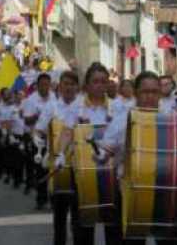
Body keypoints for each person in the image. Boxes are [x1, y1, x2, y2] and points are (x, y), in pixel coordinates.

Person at [97, 70, 177, 245]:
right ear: (136, 93)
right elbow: (105, 153)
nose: (150, 97)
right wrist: (103, 154)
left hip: (166, 194)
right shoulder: (123, 120)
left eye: (154, 92)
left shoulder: (172, 119)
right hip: (131, 195)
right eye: (145, 92)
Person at [55, 63, 114, 245]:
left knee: (112, 223)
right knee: (82, 225)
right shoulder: (77, 106)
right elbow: (66, 132)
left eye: (103, 81)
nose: (99, 85)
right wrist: (61, 154)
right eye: (95, 81)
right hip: (81, 172)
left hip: (110, 171)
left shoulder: (116, 107)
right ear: (87, 85)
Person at [34, 70, 83, 245]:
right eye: (65, 84)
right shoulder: (51, 107)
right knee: (59, 218)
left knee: (79, 219)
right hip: (57, 166)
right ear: (59, 86)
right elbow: (39, 129)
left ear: (77, 87)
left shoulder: (83, 106)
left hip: (79, 167)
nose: (69, 87)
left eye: (72, 84)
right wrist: (39, 142)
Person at [21, 73, 56, 208]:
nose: (45, 87)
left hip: (53, 137)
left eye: (47, 84)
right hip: (39, 139)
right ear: (37, 85)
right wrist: (38, 116)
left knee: (53, 169)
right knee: (41, 169)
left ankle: (54, 199)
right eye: (42, 85)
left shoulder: (54, 97)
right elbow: (26, 120)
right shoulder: (31, 100)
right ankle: (41, 199)